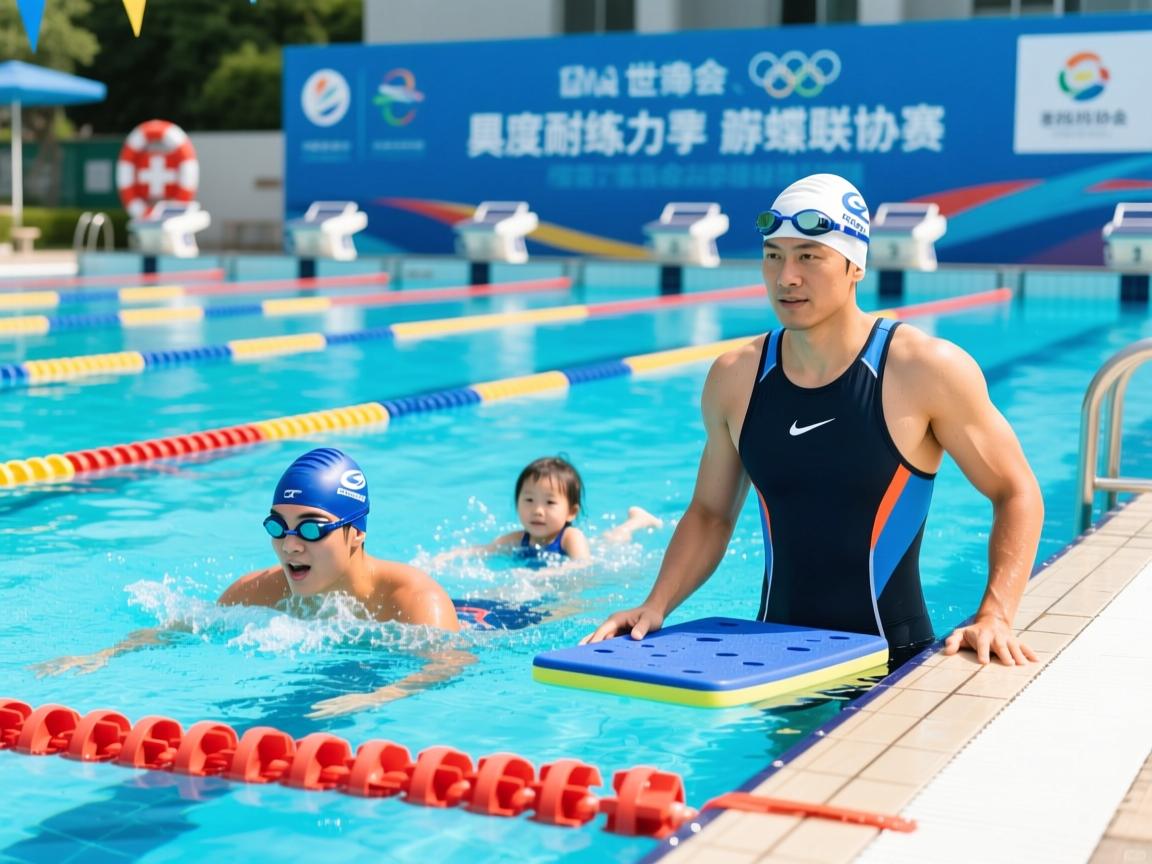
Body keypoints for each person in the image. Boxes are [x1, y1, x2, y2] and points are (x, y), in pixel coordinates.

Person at [583, 173, 1044, 668]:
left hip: (894, 661)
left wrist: (996, 612)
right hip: (773, 662)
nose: (786, 277)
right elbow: (711, 515)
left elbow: (1016, 490)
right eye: (773, 255)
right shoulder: (736, 377)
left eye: (809, 256)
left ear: (855, 266)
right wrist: (655, 606)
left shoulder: (923, 368)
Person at [37, 448, 468, 715]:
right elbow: (184, 627)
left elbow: (450, 664)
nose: (291, 544)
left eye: (312, 528)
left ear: (356, 532)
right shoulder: (261, 590)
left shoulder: (414, 600)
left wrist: (378, 697)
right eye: (278, 526)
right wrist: (105, 654)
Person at [436, 456, 662, 567]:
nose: (538, 510)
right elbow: (485, 549)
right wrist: (450, 556)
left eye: (550, 503)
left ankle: (636, 521)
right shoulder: (518, 538)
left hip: (593, 553)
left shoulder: (571, 537)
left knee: (613, 539)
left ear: (571, 512)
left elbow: (582, 566)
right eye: (529, 500)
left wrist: (549, 575)